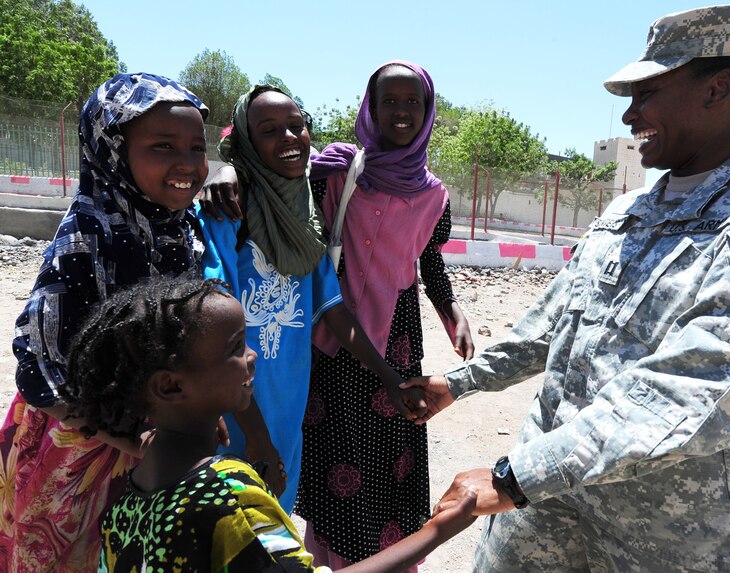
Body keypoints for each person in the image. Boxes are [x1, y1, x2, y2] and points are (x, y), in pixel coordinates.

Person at [404, 6, 730, 572]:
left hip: (669, 526)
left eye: (648, 91)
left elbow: (715, 380)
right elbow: (553, 325)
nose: (629, 114)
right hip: (544, 497)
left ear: (718, 88)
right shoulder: (628, 210)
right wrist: (460, 382)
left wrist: (516, 476)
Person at [203, 61, 474, 570]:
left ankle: (385, 558)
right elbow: (265, 159)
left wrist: (449, 310)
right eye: (387, 101)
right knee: (329, 465)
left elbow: (428, 255)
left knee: (388, 461)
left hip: (388, 338)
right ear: (368, 108)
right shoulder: (332, 172)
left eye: (412, 101)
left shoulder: (432, 194)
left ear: (429, 109)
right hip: (322, 347)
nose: (400, 111)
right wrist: (228, 166)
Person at [59, 276, 478, 573]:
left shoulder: (129, 498)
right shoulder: (229, 494)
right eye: (236, 348)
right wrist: (436, 531)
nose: (253, 356)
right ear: (169, 385)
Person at [0, 72, 212, 573]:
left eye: (197, 148)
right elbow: (39, 365)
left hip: (151, 437)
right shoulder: (88, 238)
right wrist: (125, 436)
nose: (187, 163)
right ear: (112, 151)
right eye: (162, 146)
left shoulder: (181, 230)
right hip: (75, 444)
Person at [198, 85, 428, 515]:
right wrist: (259, 438)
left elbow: (334, 310)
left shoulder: (305, 219)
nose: (288, 137)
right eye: (269, 130)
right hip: (235, 410)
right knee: (226, 530)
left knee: (274, 530)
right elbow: (214, 331)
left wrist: (390, 378)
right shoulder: (226, 213)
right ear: (247, 142)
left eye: (296, 126)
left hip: (287, 404)